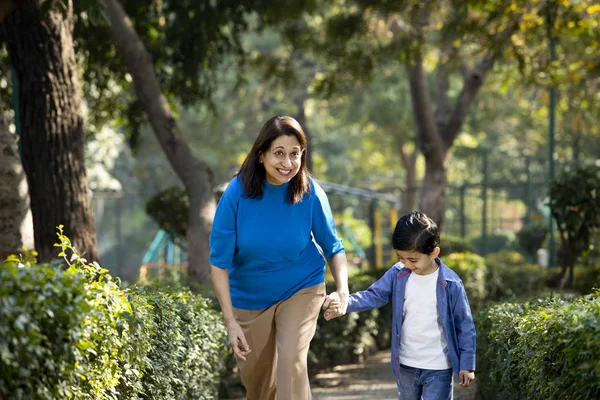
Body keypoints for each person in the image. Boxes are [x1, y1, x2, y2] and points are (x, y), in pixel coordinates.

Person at [210, 116, 349, 400]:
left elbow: (333, 247)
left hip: (301, 287)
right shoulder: (236, 194)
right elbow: (219, 264)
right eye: (279, 153)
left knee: (291, 363)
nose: (288, 163)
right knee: (260, 386)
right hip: (249, 298)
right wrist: (230, 322)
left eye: (295, 154)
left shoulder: (310, 192)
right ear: (261, 155)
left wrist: (343, 290)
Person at [323, 211, 476, 400]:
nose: (406, 264)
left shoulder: (451, 283)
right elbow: (374, 295)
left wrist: (467, 364)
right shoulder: (398, 273)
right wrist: (345, 303)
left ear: (434, 252)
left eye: (412, 259)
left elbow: (465, 325)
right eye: (401, 258)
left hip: (439, 368)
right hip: (405, 366)